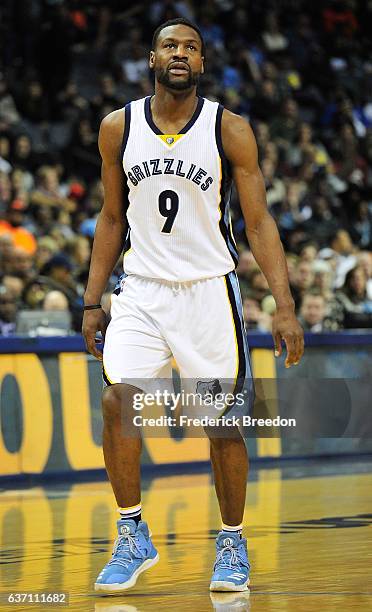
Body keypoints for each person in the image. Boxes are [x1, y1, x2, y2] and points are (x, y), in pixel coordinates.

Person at [82, 18, 304, 595]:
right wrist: (90, 300)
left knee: (223, 425)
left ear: (202, 63)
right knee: (117, 400)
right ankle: (132, 532)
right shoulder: (117, 128)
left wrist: (283, 306)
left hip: (210, 289)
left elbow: (257, 222)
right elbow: (111, 218)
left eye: (191, 47)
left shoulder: (230, 130)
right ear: (150, 58)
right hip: (143, 290)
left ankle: (232, 539)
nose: (179, 54)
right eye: (169, 46)